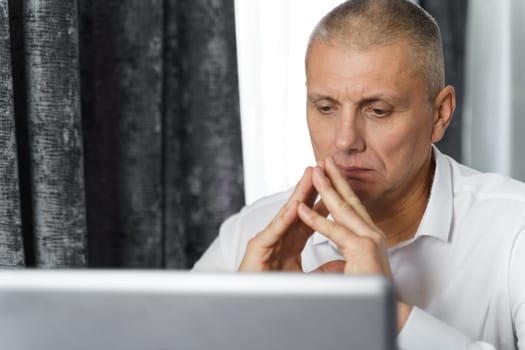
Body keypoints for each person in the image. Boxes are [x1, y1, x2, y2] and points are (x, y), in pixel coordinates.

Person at [192, 0, 525, 349]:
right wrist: (245, 324)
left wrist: (389, 316)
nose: (345, 140)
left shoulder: (514, 228)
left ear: (440, 114)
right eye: (325, 107)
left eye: (377, 110)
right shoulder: (250, 235)